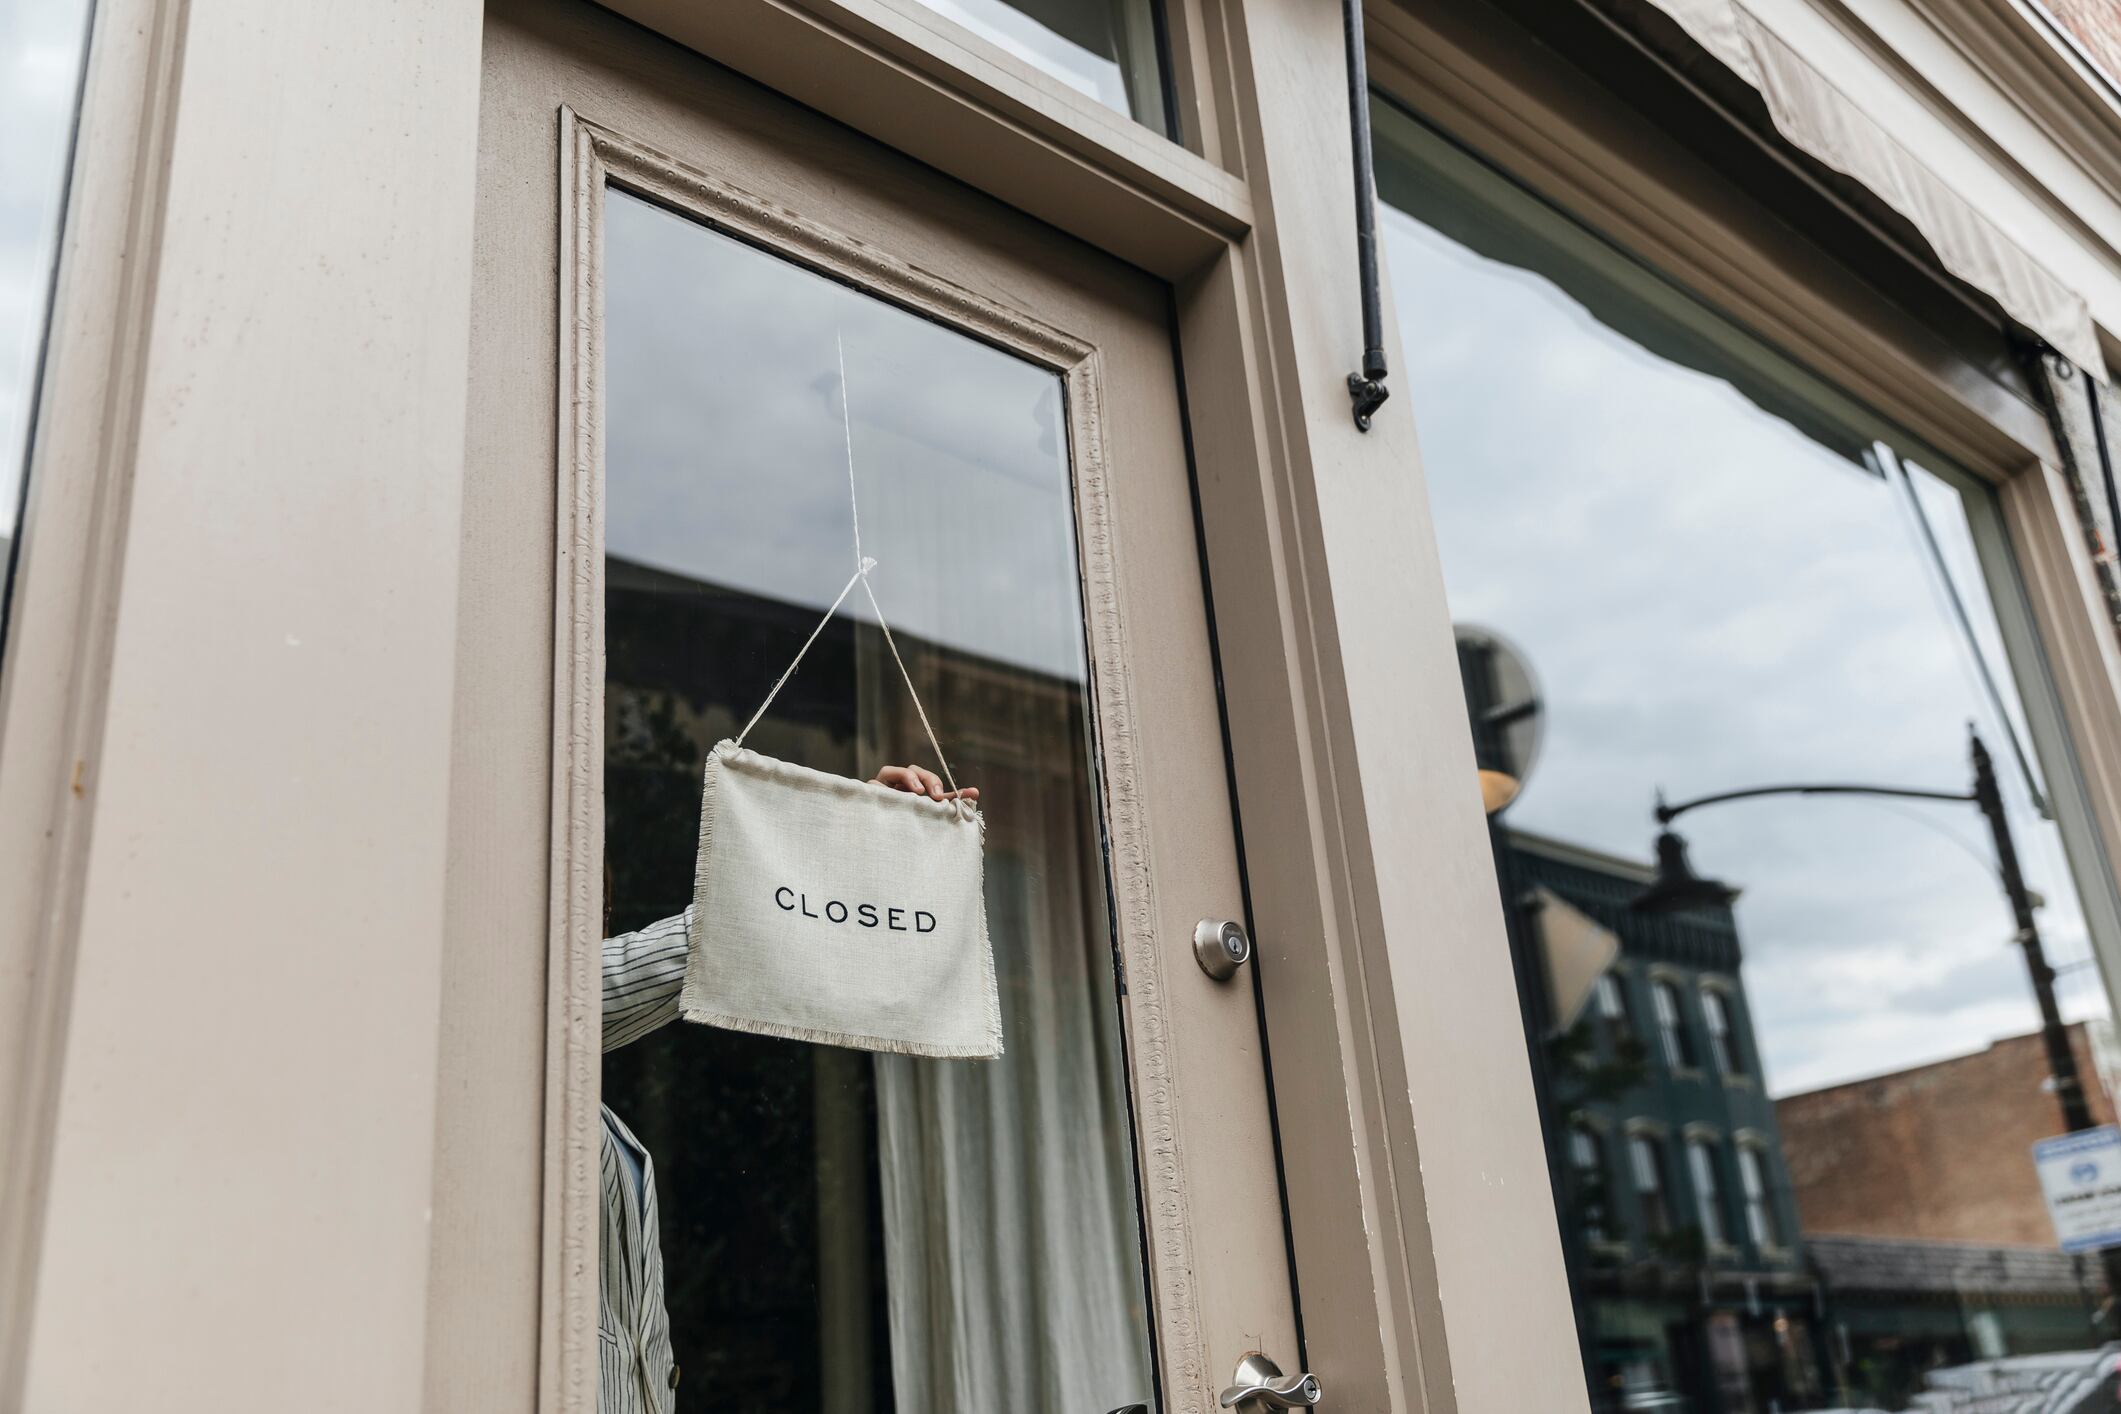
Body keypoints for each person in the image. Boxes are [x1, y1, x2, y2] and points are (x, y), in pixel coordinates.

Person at [597, 762, 978, 1414]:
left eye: (601, 912)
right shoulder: (503, 1018)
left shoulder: (614, 1137)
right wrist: (831, 851)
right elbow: (588, 986)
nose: (601, 932)